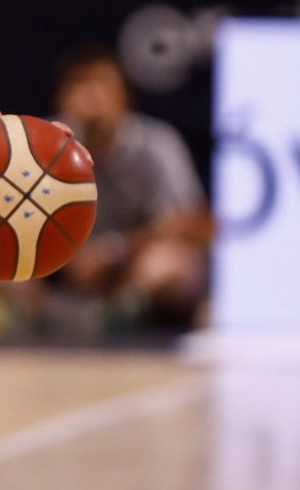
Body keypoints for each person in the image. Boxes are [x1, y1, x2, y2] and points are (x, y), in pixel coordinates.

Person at [46, 46, 212, 330]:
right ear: (62, 97)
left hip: (128, 267)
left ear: (124, 96)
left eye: (101, 83)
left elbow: (189, 222)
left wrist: (114, 251)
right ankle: (49, 317)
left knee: (171, 264)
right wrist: (67, 255)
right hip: (61, 267)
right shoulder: (40, 144)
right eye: (79, 83)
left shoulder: (156, 144)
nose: (91, 95)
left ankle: (119, 315)